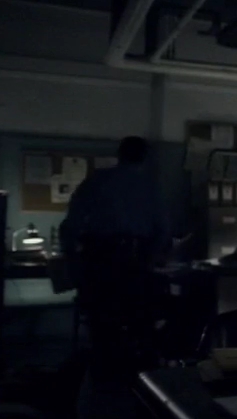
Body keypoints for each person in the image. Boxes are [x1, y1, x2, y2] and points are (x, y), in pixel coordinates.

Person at [59, 136, 171, 373]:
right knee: (137, 322)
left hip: (99, 258)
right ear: (145, 158)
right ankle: (136, 375)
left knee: (102, 323)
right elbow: (162, 230)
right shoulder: (149, 186)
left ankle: (104, 372)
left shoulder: (97, 181)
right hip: (134, 259)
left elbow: (71, 225)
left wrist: (72, 260)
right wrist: (149, 261)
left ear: (119, 155)